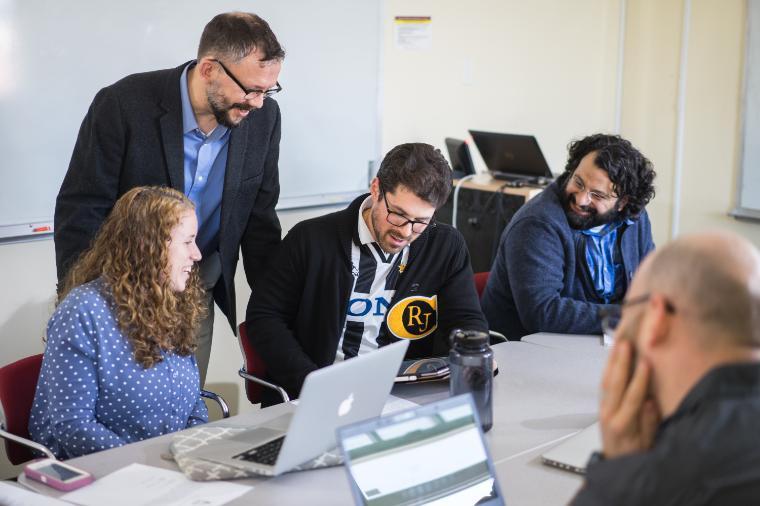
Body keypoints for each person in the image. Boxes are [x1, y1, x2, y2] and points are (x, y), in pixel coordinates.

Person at [53, 12, 285, 386]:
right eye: (251, 89)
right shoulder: (124, 105)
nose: (258, 103)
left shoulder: (264, 118)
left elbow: (259, 216)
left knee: (183, 408)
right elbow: (82, 208)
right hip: (122, 292)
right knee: (124, 409)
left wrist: (277, 307)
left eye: (268, 90)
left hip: (197, 288)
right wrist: (79, 303)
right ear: (209, 69)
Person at [246, 143, 488, 405]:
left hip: (404, 397)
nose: (406, 232)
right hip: (320, 395)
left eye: (420, 222)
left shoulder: (445, 246)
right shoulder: (311, 240)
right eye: (398, 215)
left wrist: (473, 356)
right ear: (376, 189)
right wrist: (312, 384)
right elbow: (264, 317)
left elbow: (466, 319)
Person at [572, 231, 760, 505]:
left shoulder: (681, 470)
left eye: (624, 313)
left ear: (656, 317)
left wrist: (620, 470)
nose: (621, 327)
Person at [30, 187, 209, 459]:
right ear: (148, 246)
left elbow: (193, 403)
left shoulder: (173, 302)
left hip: (167, 470)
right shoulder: (83, 312)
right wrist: (147, 462)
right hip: (98, 474)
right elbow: (73, 426)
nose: (196, 254)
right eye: (187, 242)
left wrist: (195, 451)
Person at [481, 133, 656, 340]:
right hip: (526, 349)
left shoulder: (634, 218)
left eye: (597, 195)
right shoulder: (537, 224)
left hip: (596, 342)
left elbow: (650, 282)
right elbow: (542, 312)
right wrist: (624, 316)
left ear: (623, 202)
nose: (581, 199)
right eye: (578, 182)